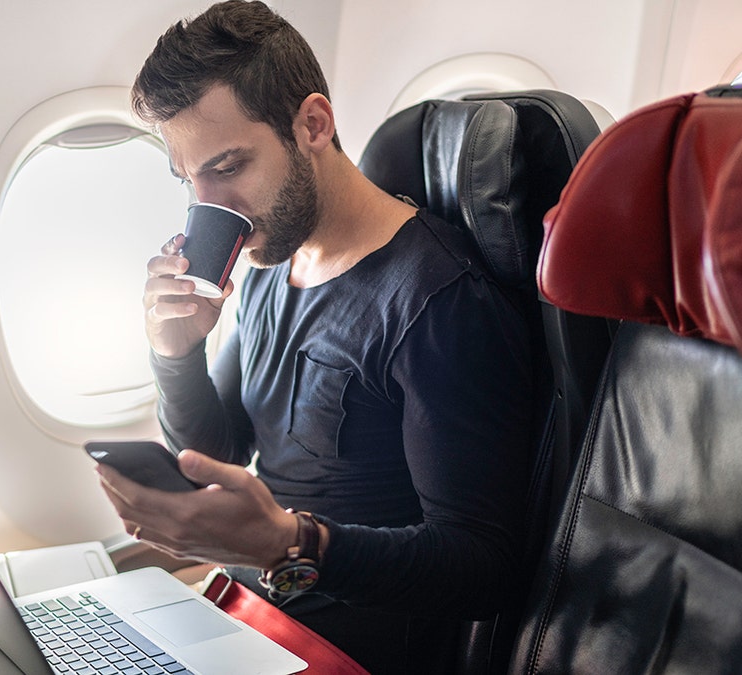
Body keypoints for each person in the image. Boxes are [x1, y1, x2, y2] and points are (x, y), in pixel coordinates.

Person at [95, 1, 536, 671]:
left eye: (228, 167)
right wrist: (176, 354)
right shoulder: (273, 262)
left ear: (313, 125)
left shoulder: (438, 301)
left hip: (341, 652)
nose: (210, 207)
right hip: (245, 616)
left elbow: (482, 568)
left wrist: (289, 545)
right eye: (190, 181)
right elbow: (220, 450)